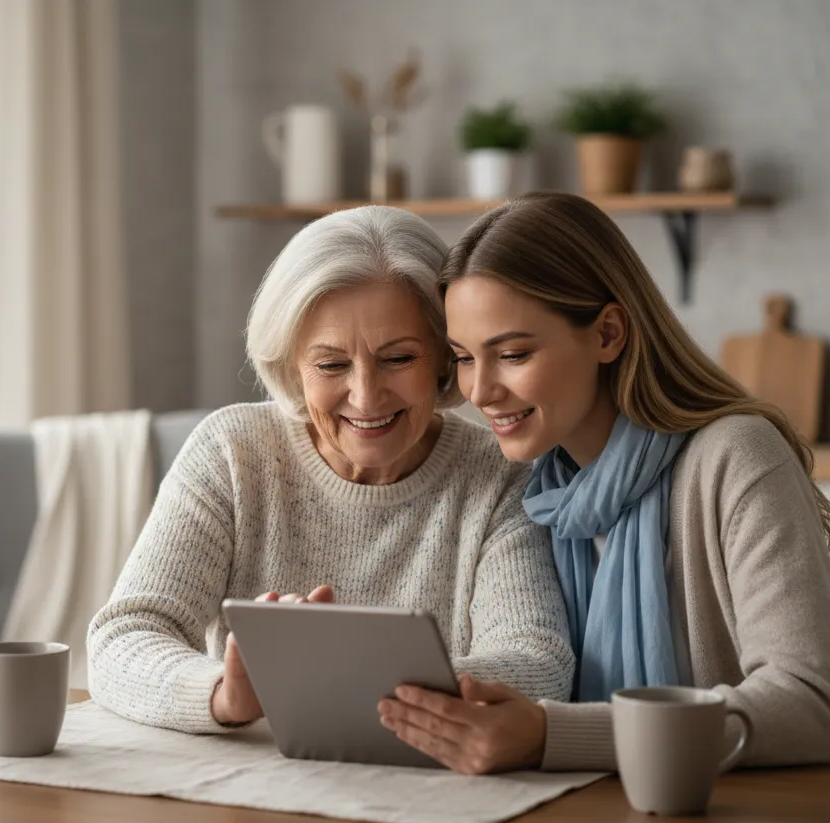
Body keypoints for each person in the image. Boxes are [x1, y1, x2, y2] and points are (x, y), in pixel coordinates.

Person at [379, 191, 830, 772]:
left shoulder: (736, 458)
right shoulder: (531, 489)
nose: (480, 392)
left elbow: (814, 709)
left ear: (608, 334)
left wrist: (551, 734)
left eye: (514, 354)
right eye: (466, 358)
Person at [87, 205, 573, 734]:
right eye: (331, 364)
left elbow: (538, 665)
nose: (365, 397)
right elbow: (122, 639)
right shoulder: (233, 451)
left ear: (444, 355)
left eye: (398, 359)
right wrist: (225, 694)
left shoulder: (499, 474)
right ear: (292, 365)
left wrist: (329, 675)